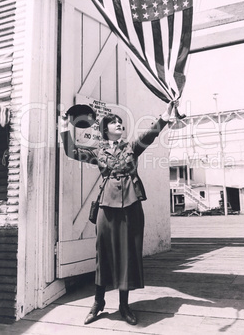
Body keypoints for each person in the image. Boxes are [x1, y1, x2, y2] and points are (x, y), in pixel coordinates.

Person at [60, 100, 177, 326]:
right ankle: (98, 302)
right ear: (105, 130)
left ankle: (124, 305)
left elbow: (150, 134)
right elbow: (71, 150)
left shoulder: (131, 147)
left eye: (120, 122)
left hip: (132, 205)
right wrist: (64, 125)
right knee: (103, 254)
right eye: (114, 123)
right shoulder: (97, 151)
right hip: (106, 206)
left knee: (128, 255)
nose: (119, 125)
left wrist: (165, 114)